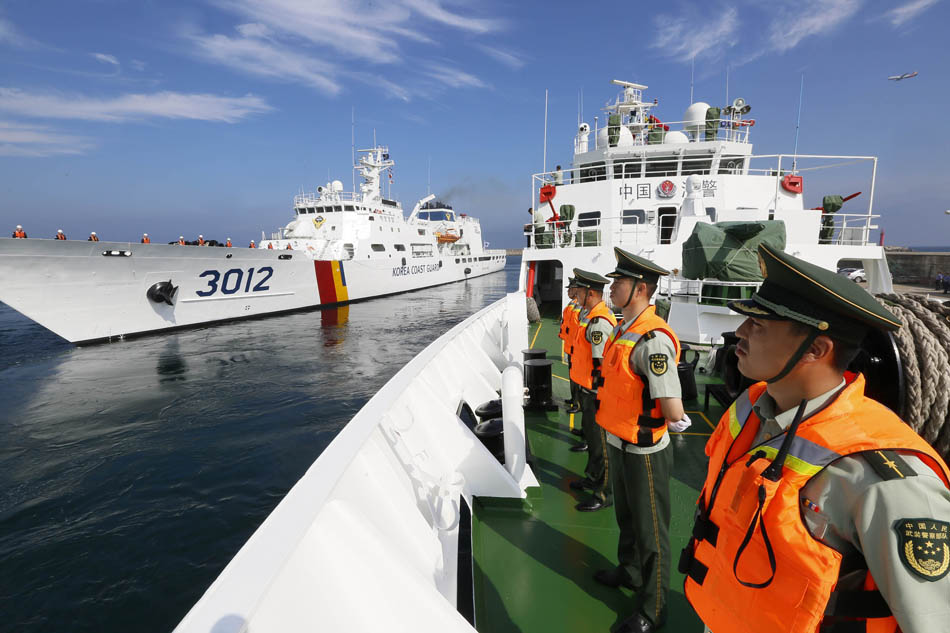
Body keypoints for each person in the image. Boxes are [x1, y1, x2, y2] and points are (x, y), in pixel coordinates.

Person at [680, 244, 950, 633]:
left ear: (817, 349)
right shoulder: (751, 407)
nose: (740, 332)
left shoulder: (886, 480)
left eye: (758, 325)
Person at [592, 247, 686, 633]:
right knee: (627, 518)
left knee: (651, 533)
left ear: (641, 289)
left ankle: (654, 608)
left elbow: (672, 407)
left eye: (620, 282)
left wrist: (678, 421)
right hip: (619, 440)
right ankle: (629, 573)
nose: (612, 288)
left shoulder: (653, 340)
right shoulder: (622, 327)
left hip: (645, 449)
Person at [567, 268, 618, 512]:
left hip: (596, 393)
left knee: (601, 446)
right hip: (587, 391)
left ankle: (603, 493)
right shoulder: (590, 315)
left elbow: (602, 364)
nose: (575, 294)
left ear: (590, 292)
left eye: (579, 290)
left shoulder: (599, 322)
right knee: (592, 441)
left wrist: (600, 396)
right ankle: (592, 477)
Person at [559, 277, 582, 416]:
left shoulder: (579, 308)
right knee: (572, 376)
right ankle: (574, 398)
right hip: (570, 348)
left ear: (576, 290)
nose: (568, 291)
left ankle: (578, 404)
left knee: (576, 378)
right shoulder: (572, 304)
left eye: (571, 289)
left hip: (576, 350)